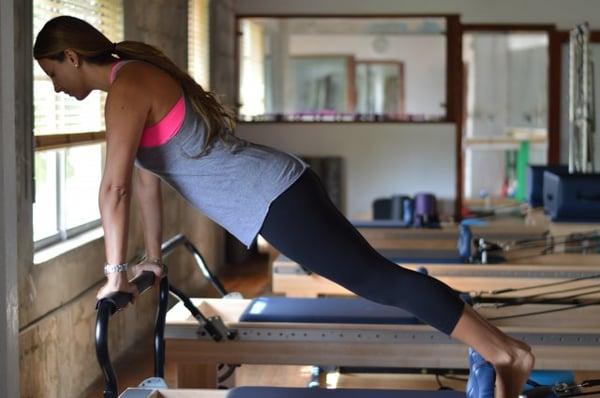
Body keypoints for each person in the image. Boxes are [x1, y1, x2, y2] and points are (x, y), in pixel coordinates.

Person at [34, 15, 534, 397]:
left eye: (53, 72)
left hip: (274, 195)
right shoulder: (132, 81)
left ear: (73, 56)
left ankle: (504, 351)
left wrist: (115, 272)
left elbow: (112, 188)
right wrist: (151, 260)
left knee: (380, 280)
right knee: (379, 276)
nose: (56, 86)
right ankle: (502, 349)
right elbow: (144, 185)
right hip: (279, 187)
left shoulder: (128, 85)